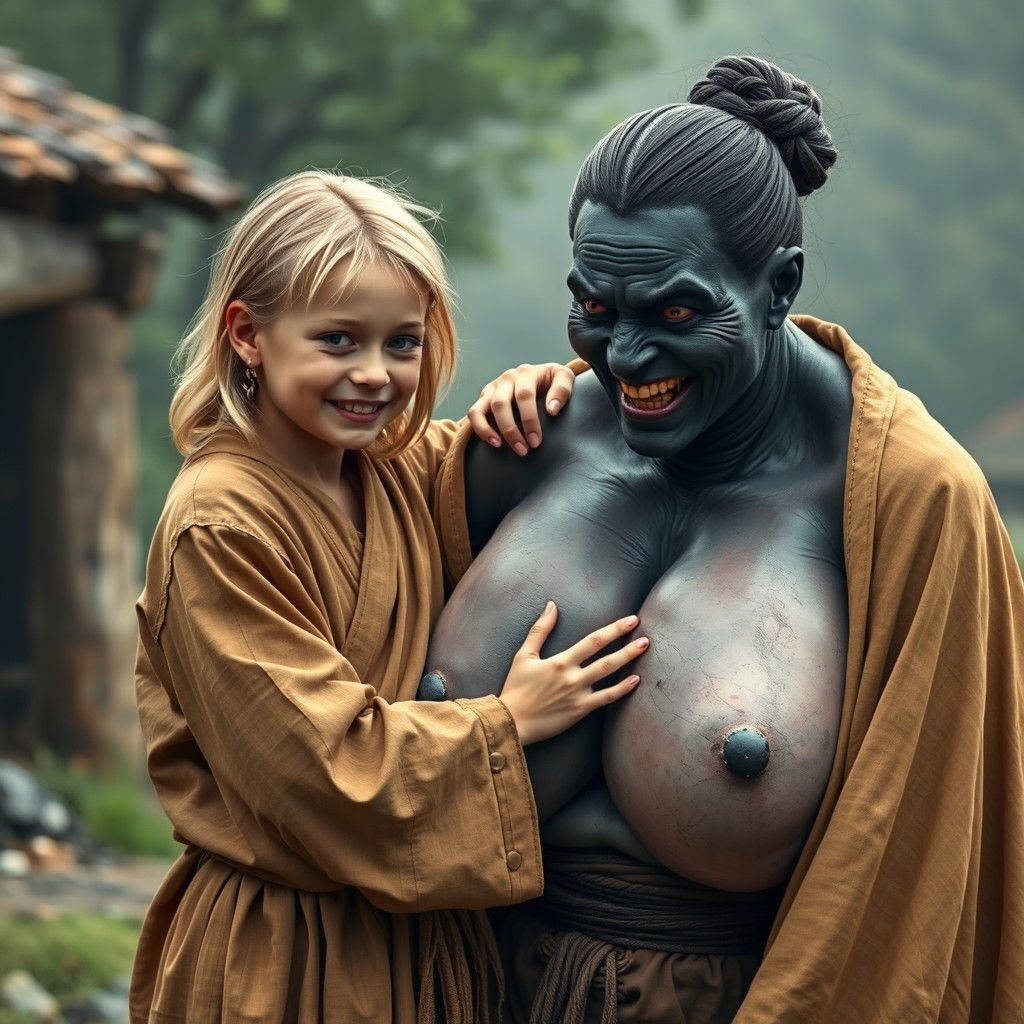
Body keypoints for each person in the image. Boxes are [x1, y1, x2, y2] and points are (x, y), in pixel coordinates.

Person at [423, 56, 1024, 1021]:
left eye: (676, 311)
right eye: (596, 309)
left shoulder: (907, 505)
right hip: (451, 987)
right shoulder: (521, 448)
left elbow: (938, 867)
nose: (627, 357)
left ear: (779, 286)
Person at [129, 170, 650, 1024]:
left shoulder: (392, 472)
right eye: (338, 340)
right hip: (285, 956)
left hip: (424, 953)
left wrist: (527, 394)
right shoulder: (219, 525)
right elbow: (319, 772)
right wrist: (507, 723)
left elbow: (473, 458)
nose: (373, 375)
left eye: (402, 342)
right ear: (248, 334)